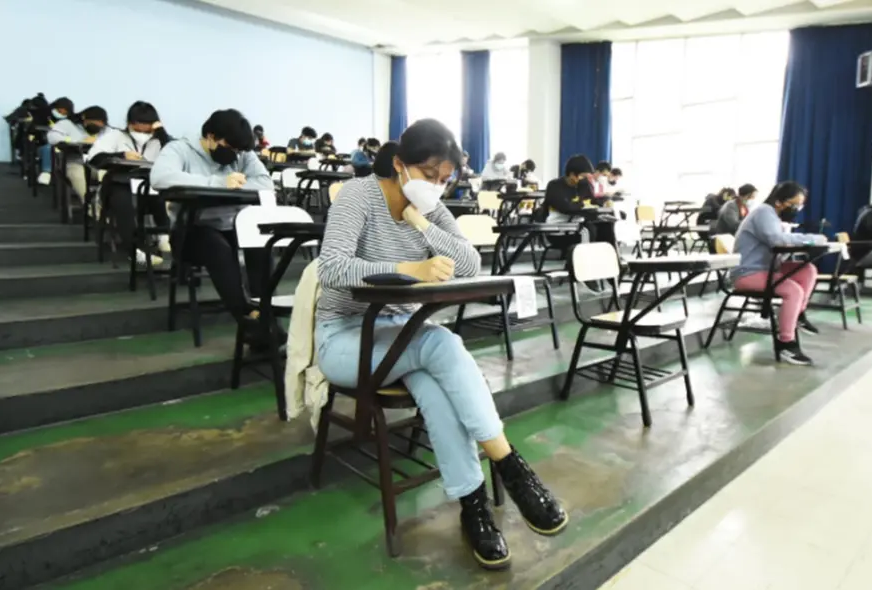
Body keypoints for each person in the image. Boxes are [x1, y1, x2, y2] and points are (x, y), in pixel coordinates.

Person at [314, 118, 567, 571]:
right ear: (399, 164)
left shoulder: (426, 209)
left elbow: (469, 262)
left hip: (399, 335)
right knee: (441, 345)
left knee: (436, 390)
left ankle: (474, 509)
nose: (437, 185)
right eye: (429, 174)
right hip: (345, 339)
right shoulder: (359, 195)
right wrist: (412, 270)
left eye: (445, 179)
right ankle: (510, 466)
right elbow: (331, 268)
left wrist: (421, 222)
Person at [150, 109, 277, 349]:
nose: (236, 155)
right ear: (210, 136)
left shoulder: (243, 154)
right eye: (230, 147)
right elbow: (159, 177)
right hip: (192, 232)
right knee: (215, 246)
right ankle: (249, 319)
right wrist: (217, 183)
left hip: (234, 227)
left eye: (240, 151)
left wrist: (238, 186)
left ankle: (264, 312)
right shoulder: (180, 149)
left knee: (262, 244)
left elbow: (265, 184)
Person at [729, 181, 827, 366]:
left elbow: (782, 244)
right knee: (793, 291)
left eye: (800, 204)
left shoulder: (773, 215)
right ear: (780, 201)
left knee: (807, 270)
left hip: (766, 269)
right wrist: (813, 239)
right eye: (795, 203)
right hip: (747, 273)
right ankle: (786, 344)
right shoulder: (764, 212)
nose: (797, 208)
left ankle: (798, 315)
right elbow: (776, 240)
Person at [87, 101, 173, 266]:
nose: (142, 130)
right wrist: (121, 155)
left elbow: (174, 154)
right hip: (118, 186)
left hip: (147, 187)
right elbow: (94, 158)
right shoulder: (115, 136)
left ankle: (164, 235)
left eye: (147, 125)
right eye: (138, 125)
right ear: (130, 124)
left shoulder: (159, 140)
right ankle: (135, 250)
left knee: (160, 194)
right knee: (122, 200)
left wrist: (161, 133)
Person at [539, 154, 615, 250]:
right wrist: (583, 202)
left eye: (587, 177)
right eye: (583, 176)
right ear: (572, 174)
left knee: (607, 226)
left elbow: (593, 201)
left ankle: (607, 258)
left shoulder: (583, 185)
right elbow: (567, 208)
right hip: (558, 230)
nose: (585, 180)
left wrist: (605, 201)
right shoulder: (555, 186)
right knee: (590, 230)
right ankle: (584, 262)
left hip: (578, 227)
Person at [44, 105, 108, 199]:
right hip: (73, 162)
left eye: (101, 123)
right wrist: (77, 141)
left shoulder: (106, 130)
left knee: (111, 176)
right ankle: (91, 207)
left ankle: (106, 204)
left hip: (96, 164)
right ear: (84, 118)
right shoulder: (67, 124)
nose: (98, 125)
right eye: (94, 122)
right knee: (78, 175)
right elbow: (52, 137)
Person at [35, 97, 76, 185]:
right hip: (44, 145)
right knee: (49, 148)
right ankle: (46, 172)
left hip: (64, 147)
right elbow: (33, 130)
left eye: (64, 113)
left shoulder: (72, 121)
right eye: (59, 111)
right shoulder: (43, 115)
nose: (61, 114)